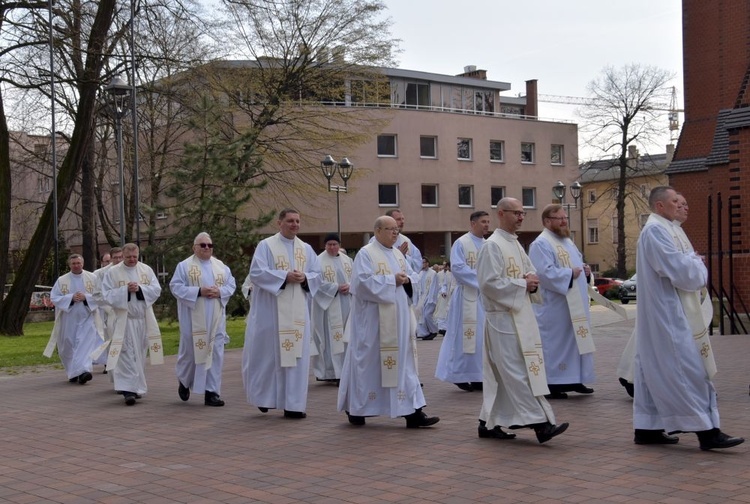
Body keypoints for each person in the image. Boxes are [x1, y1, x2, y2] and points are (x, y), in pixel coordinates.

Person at [632, 186, 743, 450]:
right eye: (676, 202)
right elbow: (683, 272)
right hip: (668, 312)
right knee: (688, 369)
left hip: (674, 309)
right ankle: (707, 431)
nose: (684, 206)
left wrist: (693, 262)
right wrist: (697, 264)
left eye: (683, 202)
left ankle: (648, 427)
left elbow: (686, 265)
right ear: (659, 206)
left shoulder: (671, 229)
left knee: (654, 368)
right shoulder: (656, 231)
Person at [475, 197, 568, 443]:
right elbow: (488, 284)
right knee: (515, 372)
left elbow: (530, 274)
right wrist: (522, 284)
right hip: (502, 319)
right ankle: (540, 423)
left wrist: (532, 283)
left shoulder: (515, 245)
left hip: (520, 316)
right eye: (515, 213)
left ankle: (487, 423)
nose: (520, 217)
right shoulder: (492, 246)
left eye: (522, 213)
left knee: (509, 374)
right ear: (501, 213)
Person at [337, 215, 439, 428]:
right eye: (390, 229)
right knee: (368, 363)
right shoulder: (366, 254)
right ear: (377, 231)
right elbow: (360, 284)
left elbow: (413, 276)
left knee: (403, 363)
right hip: (373, 323)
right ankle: (358, 408)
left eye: (397, 229)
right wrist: (391, 280)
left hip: (399, 319)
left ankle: (413, 413)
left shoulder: (397, 255)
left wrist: (407, 280)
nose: (395, 233)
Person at [241, 209, 322, 419]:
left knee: (297, 358)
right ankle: (264, 398)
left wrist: (305, 277)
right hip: (271, 313)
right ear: (279, 223)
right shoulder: (266, 246)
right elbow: (256, 273)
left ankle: (293, 404)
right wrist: (284, 276)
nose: (294, 224)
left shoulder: (306, 249)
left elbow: (318, 275)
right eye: (289, 221)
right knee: (268, 357)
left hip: (297, 317)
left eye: (297, 221)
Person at [529, 204, 595, 399]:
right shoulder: (541, 243)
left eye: (565, 218)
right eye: (560, 218)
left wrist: (584, 269)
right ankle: (553, 383)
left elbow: (575, 265)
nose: (564, 221)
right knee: (557, 344)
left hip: (575, 305)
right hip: (555, 307)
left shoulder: (567, 241)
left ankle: (575, 378)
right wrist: (569, 273)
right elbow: (543, 273)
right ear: (547, 221)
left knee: (577, 341)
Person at [170, 232, 236, 407]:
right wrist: (199, 291)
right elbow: (175, 287)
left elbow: (231, 284)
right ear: (194, 247)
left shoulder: (221, 267)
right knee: (190, 354)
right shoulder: (184, 266)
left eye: (209, 245)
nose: (207, 248)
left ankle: (212, 392)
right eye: (202, 245)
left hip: (216, 320)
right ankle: (184, 380)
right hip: (193, 320)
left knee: (215, 354)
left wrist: (220, 292)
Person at [101, 243, 163, 406]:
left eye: (135, 257)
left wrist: (140, 289)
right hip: (123, 321)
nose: (132, 260)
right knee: (125, 354)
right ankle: (127, 390)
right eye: (128, 257)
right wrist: (125, 291)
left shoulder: (146, 270)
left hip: (142, 320)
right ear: (123, 255)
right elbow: (106, 294)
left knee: (140, 354)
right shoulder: (113, 272)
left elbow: (156, 290)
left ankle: (136, 387)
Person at [435, 211, 490, 392]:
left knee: (481, 336)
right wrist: (483, 279)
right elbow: (458, 268)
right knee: (464, 336)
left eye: (488, 222)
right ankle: (459, 373)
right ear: (473, 223)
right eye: (483, 222)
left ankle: (478, 376)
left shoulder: (488, 244)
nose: (487, 225)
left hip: (483, 297)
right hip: (466, 295)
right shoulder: (461, 243)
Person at [43, 254, 104, 384]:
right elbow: (54, 297)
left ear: (82, 263)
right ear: (69, 265)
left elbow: (100, 296)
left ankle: (84, 372)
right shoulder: (62, 280)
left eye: (78, 263)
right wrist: (70, 298)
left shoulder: (92, 278)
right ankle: (72, 372)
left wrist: (86, 297)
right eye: (73, 263)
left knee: (85, 344)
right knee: (67, 345)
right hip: (68, 318)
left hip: (87, 316)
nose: (76, 265)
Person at [311, 233, 353, 382]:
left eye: (335, 244)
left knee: (346, 338)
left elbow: (356, 278)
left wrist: (351, 286)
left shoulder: (347, 260)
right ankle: (333, 373)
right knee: (331, 339)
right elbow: (316, 282)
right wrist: (335, 288)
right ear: (325, 245)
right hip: (329, 306)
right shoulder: (318, 261)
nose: (332, 247)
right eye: (329, 244)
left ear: (339, 245)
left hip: (347, 304)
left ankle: (346, 371)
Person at [92, 247, 123, 373]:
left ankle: (122, 366)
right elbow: (97, 294)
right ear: (111, 258)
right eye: (115, 257)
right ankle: (110, 364)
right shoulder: (101, 273)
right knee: (109, 338)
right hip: (107, 312)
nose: (118, 260)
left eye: (120, 257)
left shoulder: (128, 270)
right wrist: (108, 306)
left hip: (125, 312)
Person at [369, 209, 423, 273]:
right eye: (398, 219)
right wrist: (397, 255)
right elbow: (374, 261)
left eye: (403, 219)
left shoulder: (406, 241)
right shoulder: (376, 240)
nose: (402, 222)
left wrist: (404, 257)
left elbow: (418, 264)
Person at [415, 257, 438, 340]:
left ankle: (434, 330)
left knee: (428, 314)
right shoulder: (420, 274)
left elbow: (434, 287)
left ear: (427, 263)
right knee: (421, 316)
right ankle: (425, 333)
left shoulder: (433, 273)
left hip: (430, 297)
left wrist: (431, 298)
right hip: (422, 297)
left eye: (424, 262)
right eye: (421, 263)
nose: (422, 264)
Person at [430, 262, 455, 336]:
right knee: (444, 311)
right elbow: (445, 284)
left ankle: (450, 328)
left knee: (451, 311)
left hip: (453, 295)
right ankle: (444, 328)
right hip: (446, 295)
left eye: (447, 267)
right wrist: (443, 291)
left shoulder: (455, 274)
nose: (447, 268)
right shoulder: (447, 274)